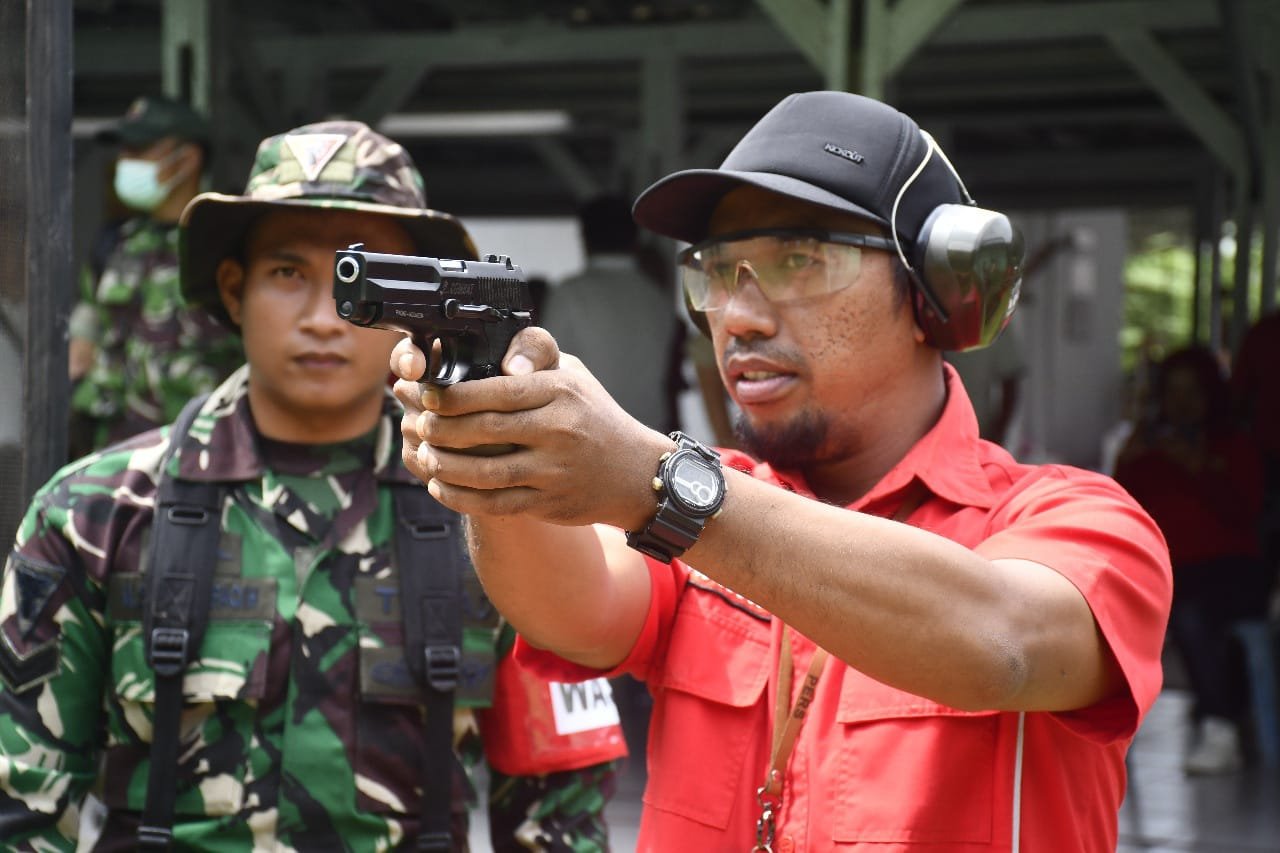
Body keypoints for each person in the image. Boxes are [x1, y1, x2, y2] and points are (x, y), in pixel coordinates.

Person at [389, 91, 1173, 851]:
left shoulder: (1080, 520)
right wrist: (493, 458)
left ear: (938, 292)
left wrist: (655, 483)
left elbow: (998, 641)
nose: (739, 315)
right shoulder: (710, 503)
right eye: (719, 272)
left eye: (798, 259)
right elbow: (570, 605)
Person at [0, 120, 624, 850]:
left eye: (365, 283)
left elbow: (561, 810)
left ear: (422, 304)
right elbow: (21, 808)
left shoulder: (497, 510)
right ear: (234, 290)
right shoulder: (94, 513)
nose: (326, 316)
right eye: (288, 273)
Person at [1116, 345, 1274, 773]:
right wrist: (1130, 460)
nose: (1182, 404)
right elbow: (1121, 506)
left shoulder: (1234, 447)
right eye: (1173, 392)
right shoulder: (1148, 448)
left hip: (1229, 573)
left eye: (1192, 393)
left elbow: (1245, 511)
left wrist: (1202, 466)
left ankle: (1219, 725)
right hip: (1165, 571)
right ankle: (1104, 731)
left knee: (1190, 615)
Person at [68, 95, 243, 458]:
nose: (125, 161)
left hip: (204, 449)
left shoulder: (228, 244)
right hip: (116, 452)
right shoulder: (115, 244)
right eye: (124, 150)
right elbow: (83, 345)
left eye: (139, 149)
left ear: (188, 158)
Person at [540, 194, 682, 434]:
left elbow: (545, 371)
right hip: (654, 439)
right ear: (635, 238)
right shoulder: (658, 298)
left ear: (584, 238)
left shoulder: (569, 294)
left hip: (586, 437)